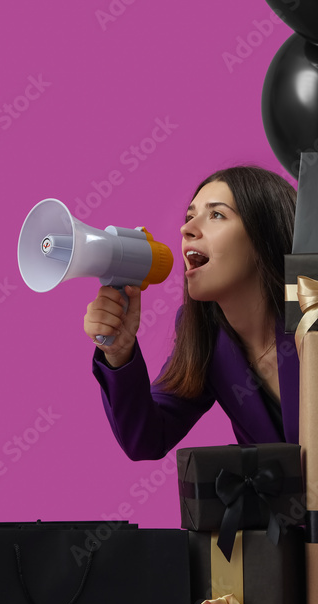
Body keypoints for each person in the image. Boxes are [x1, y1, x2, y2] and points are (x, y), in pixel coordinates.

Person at [85, 165, 298, 460]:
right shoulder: (206, 334)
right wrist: (119, 353)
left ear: (266, 235)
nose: (186, 229)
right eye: (189, 217)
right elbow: (146, 439)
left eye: (217, 215)